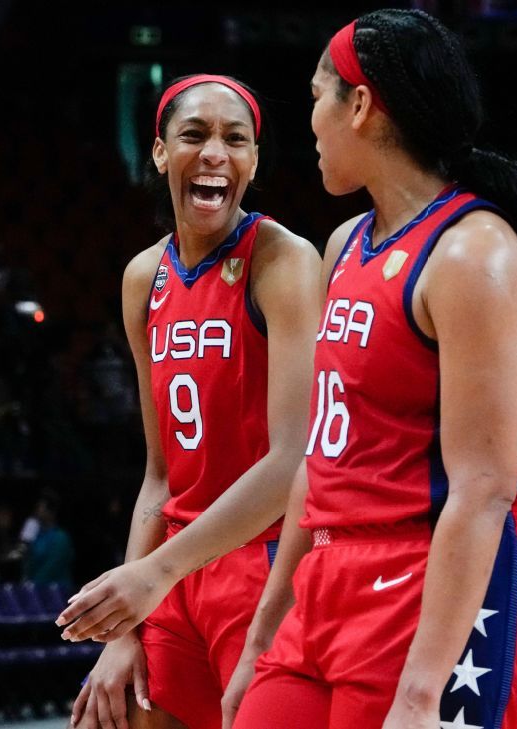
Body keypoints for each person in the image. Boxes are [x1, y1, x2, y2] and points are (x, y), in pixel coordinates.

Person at [226, 10, 517, 729]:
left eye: (317, 98)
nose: (311, 124)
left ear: (359, 105)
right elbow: (321, 462)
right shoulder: (344, 244)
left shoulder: (473, 254)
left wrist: (422, 690)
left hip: (430, 584)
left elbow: (482, 490)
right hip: (326, 582)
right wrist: (265, 627)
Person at [58, 75, 321, 729]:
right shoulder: (143, 277)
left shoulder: (284, 260)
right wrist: (123, 627)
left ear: (253, 162)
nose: (214, 153)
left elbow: (295, 460)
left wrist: (155, 571)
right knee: (107, 715)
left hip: (265, 560)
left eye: (236, 139)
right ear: (158, 152)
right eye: (195, 135)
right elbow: (159, 471)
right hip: (176, 569)